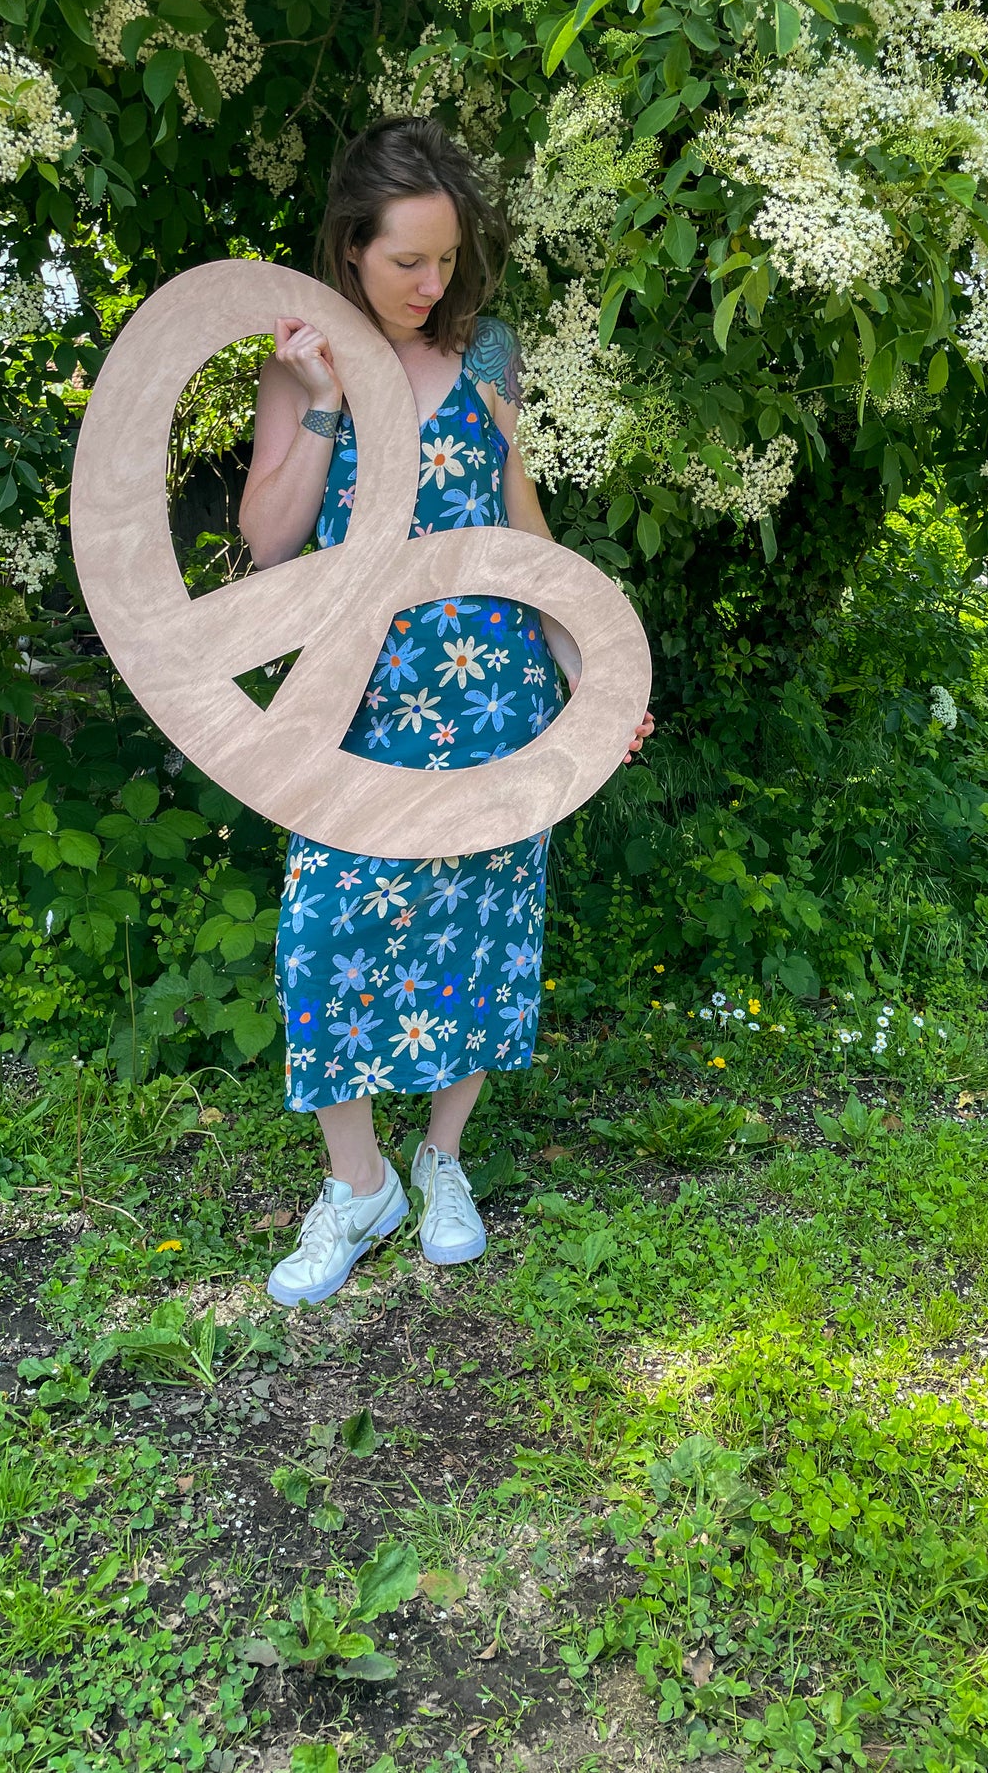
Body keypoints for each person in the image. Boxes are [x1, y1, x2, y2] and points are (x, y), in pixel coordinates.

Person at [239, 115, 652, 1308]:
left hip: (493, 692)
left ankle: (443, 1161)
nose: (429, 284)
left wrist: (593, 681)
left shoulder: (486, 354)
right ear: (349, 247)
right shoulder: (302, 354)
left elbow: (528, 539)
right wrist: (319, 400)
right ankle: (357, 1185)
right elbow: (268, 543)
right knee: (327, 931)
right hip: (356, 695)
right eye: (403, 260)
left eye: (442, 259)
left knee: (479, 931)